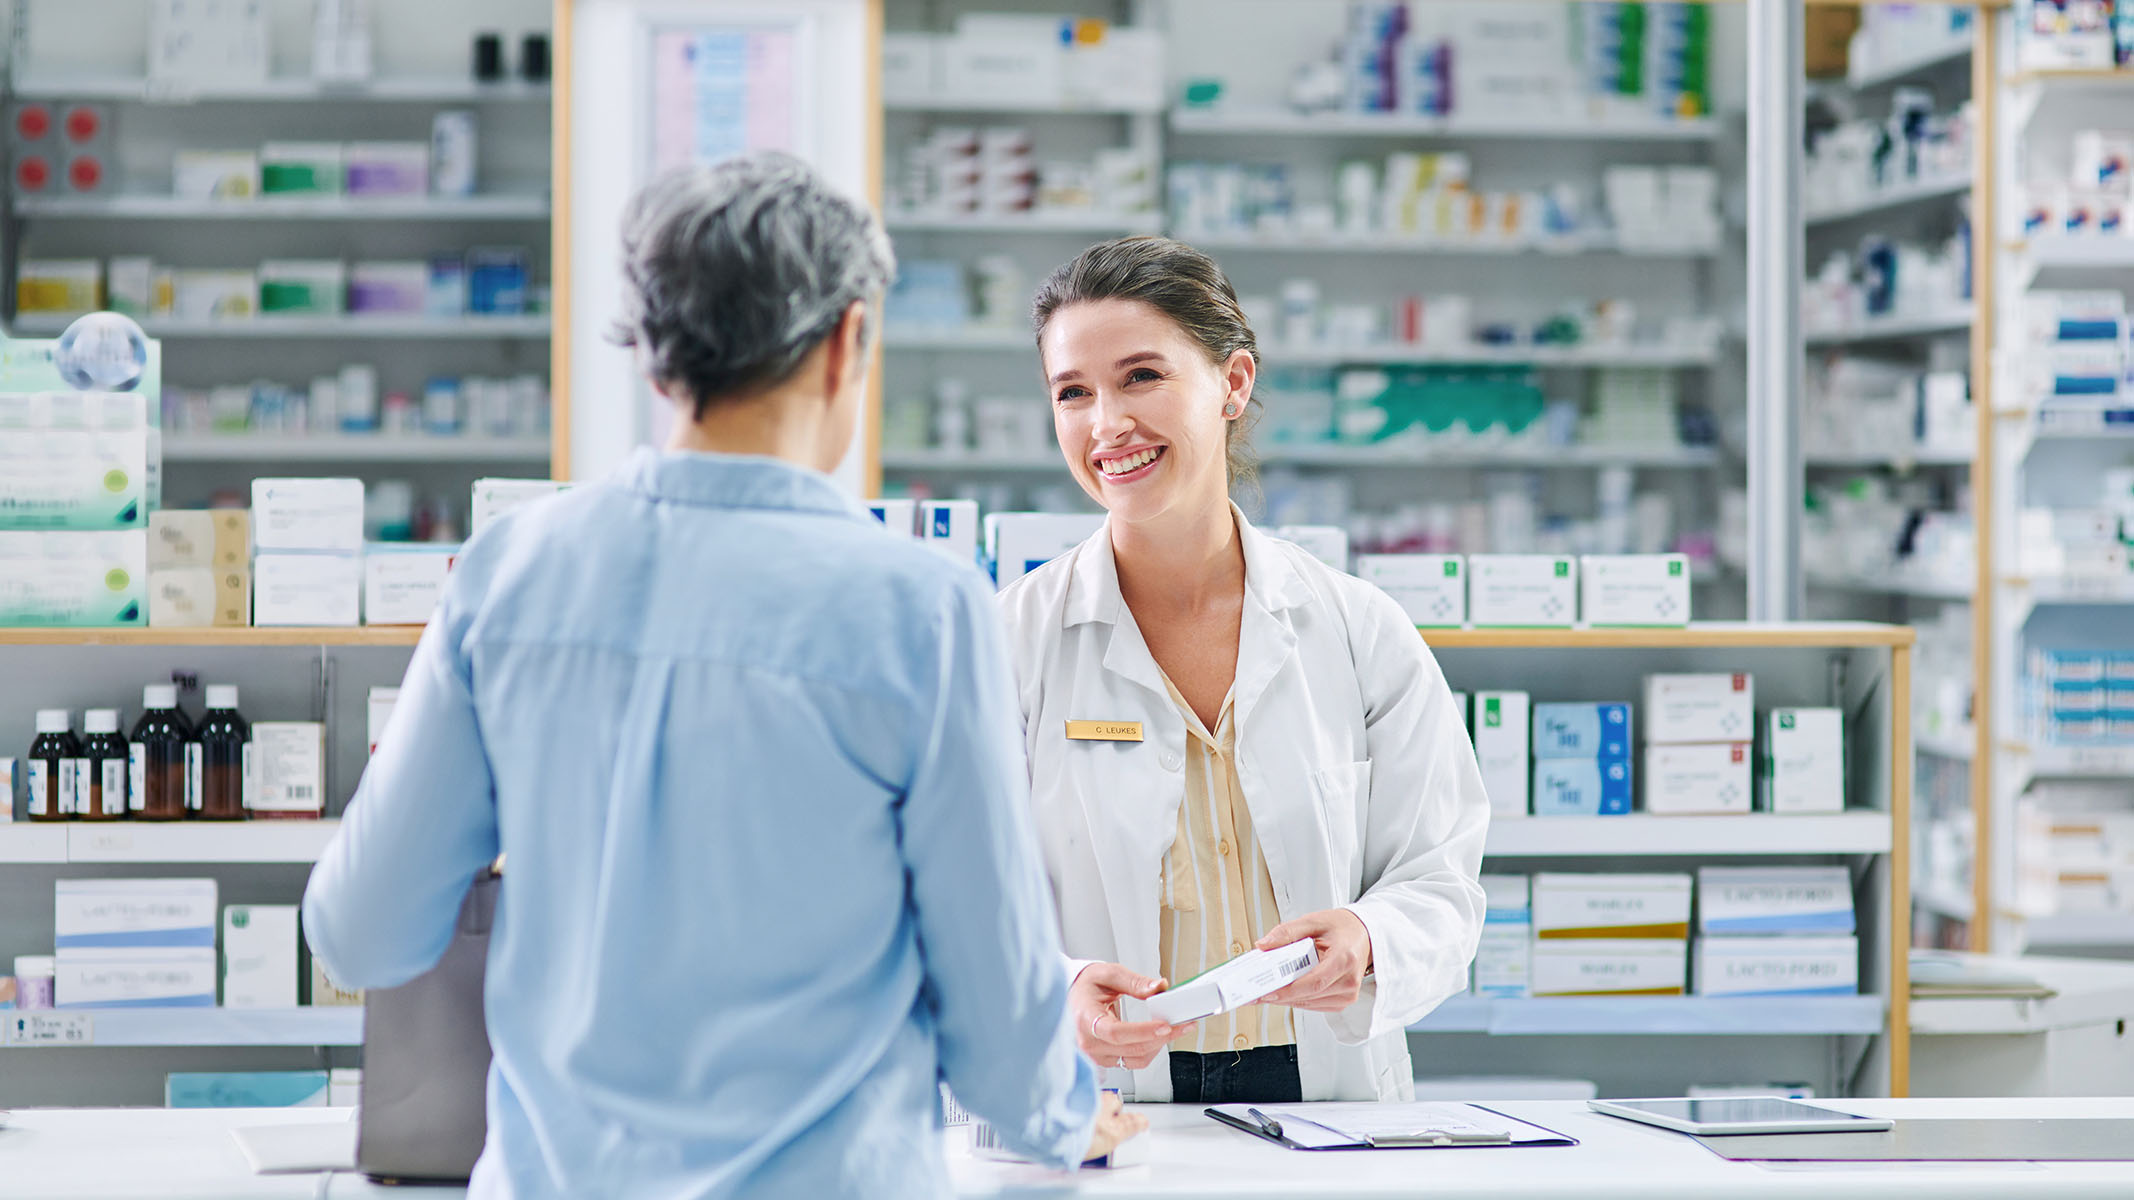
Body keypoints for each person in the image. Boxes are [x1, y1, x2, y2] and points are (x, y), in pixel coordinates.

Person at [302, 153, 1140, 1199]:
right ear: (846, 341)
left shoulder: (513, 572)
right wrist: (1065, 1117)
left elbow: (362, 928)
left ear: (656, 360)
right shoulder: (916, 607)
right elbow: (996, 1010)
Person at [998, 236, 1490, 1105]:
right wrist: (1057, 987)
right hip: (1109, 1101)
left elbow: (1441, 881)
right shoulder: (1014, 643)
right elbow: (960, 902)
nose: (1106, 423)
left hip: (1328, 1098)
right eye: (1073, 392)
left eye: (1142, 376)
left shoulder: (1356, 628)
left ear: (1233, 384)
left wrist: (1368, 940)